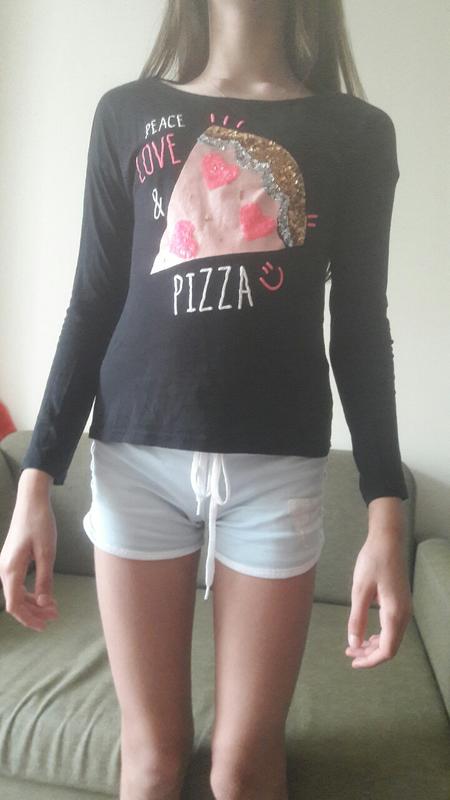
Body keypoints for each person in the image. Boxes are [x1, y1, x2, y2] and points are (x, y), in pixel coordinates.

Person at [0, 1, 413, 798]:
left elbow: (362, 330)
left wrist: (385, 519)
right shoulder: (125, 113)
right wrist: (35, 485)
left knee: (243, 769)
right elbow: (92, 304)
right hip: (134, 465)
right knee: (152, 760)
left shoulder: (358, 133)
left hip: (277, 475)